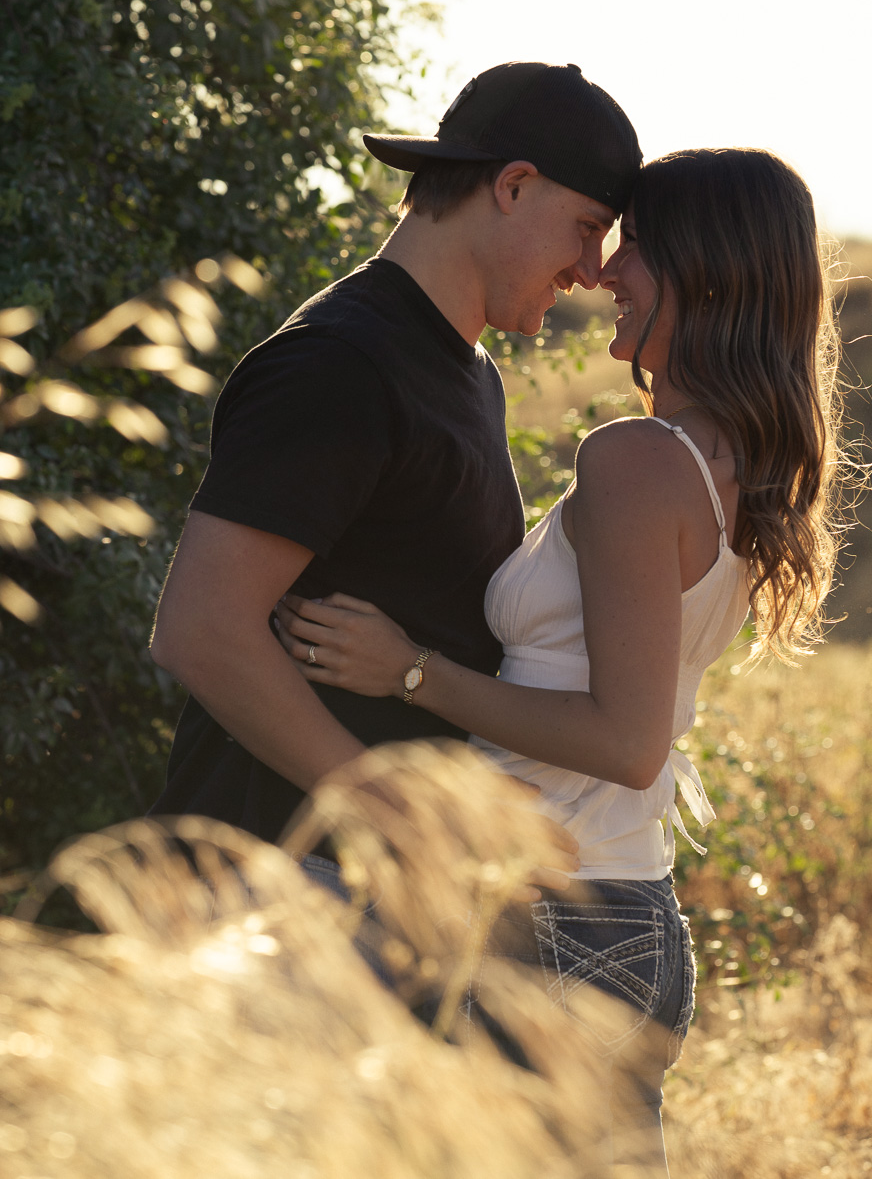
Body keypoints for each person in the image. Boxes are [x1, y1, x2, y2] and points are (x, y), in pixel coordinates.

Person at [274, 146, 843, 1170]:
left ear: (709, 274)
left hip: (556, 923)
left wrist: (411, 672)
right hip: (618, 912)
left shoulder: (636, 460)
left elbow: (626, 741)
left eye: (637, 247)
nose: (606, 270)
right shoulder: (739, 469)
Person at [147, 63, 642, 876]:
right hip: (268, 876)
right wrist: (403, 815)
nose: (591, 269)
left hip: (365, 887)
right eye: (588, 228)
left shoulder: (468, 372)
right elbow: (200, 631)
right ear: (514, 186)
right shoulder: (341, 362)